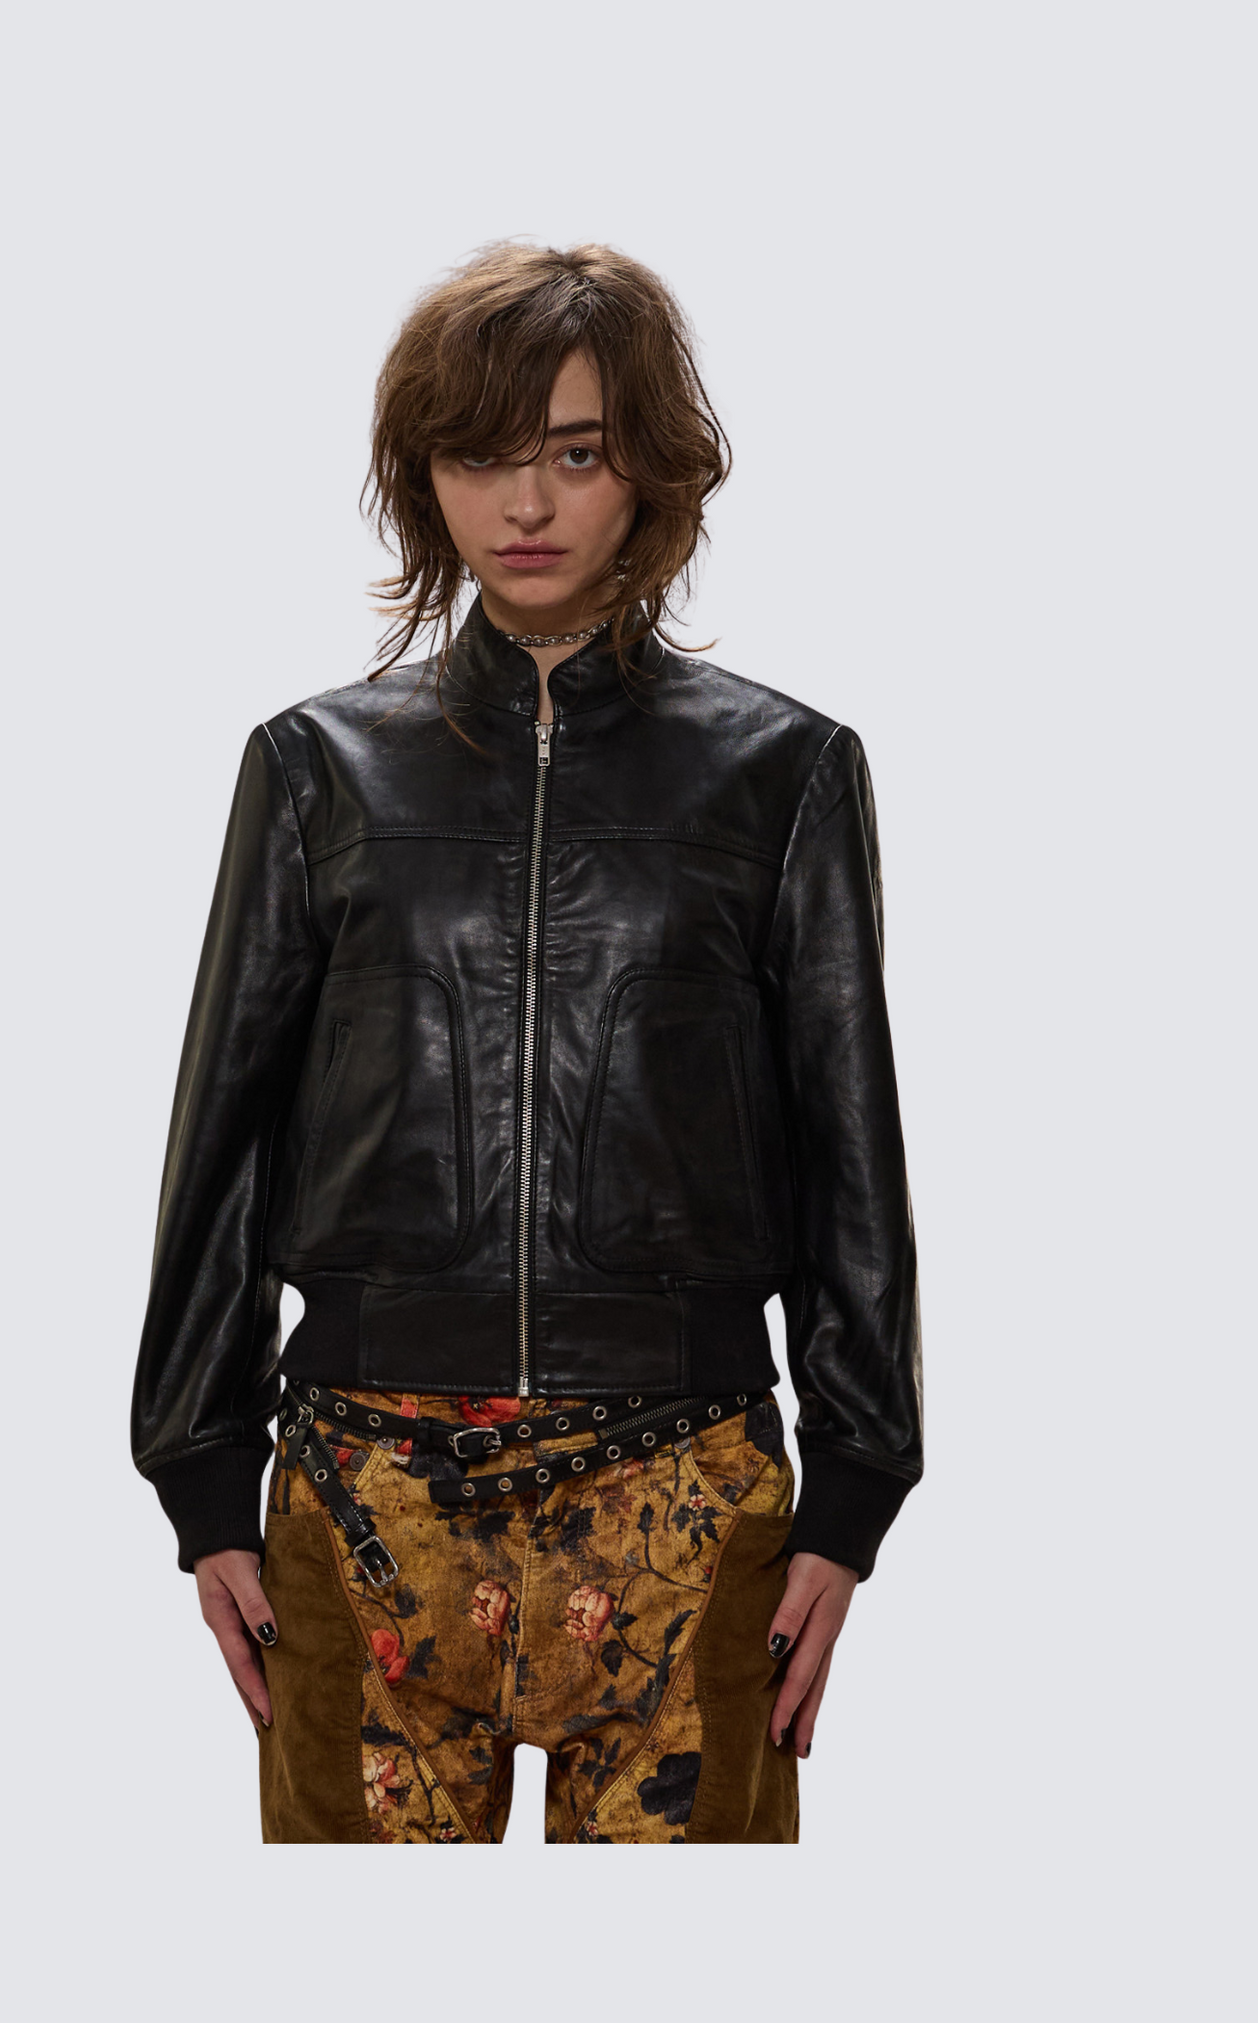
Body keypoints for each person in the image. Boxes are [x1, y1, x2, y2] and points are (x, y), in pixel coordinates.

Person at [131, 242, 922, 1844]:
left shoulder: (785, 775)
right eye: (482, 454)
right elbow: (224, 1135)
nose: (528, 503)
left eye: (575, 451)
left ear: (652, 468)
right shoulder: (317, 769)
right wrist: (199, 1470)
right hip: (365, 1498)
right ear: (423, 477)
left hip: (686, 1496)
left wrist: (856, 1486)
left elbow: (851, 1145)